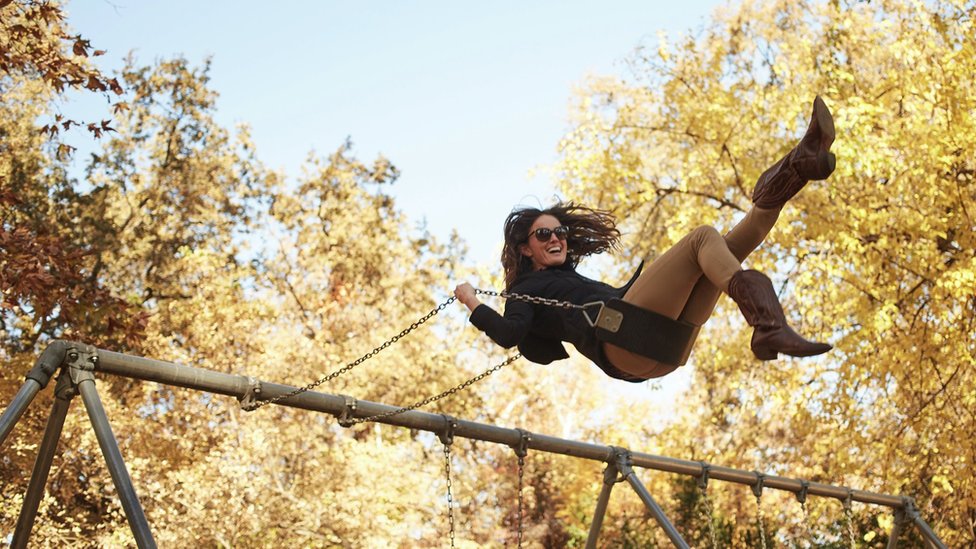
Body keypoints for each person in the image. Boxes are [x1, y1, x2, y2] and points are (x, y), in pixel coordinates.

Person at [455, 97, 836, 382]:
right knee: (702, 238)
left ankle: (798, 168)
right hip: (624, 340)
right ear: (525, 248)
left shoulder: (571, 280)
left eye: (560, 232)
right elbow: (508, 334)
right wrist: (472, 300)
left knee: (726, 249)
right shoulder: (525, 289)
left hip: (666, 350)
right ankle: (768, 326)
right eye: (543, 234)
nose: (556, 238)